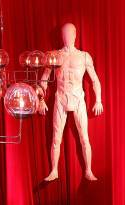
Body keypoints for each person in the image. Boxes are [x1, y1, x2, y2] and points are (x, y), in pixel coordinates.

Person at [39, 22, 103, 181]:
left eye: (70, 34)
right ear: (62, 36)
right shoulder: (54, 55)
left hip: (78, 97)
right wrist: (40, 99)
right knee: (56, 137)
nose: (67, 37)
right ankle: (54, 170)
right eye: (64, 34)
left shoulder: (84, 56)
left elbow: (95, 80)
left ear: (75, 35)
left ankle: (88, 170)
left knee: (84, 136)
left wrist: (98, 100)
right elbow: (44, 79)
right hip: (60, 97)